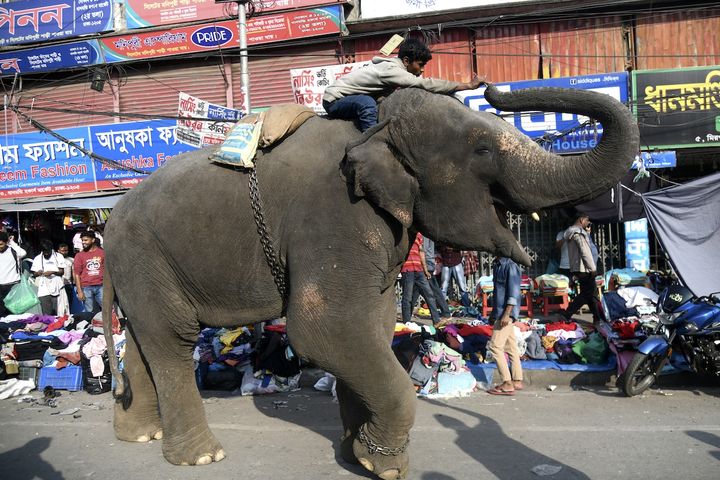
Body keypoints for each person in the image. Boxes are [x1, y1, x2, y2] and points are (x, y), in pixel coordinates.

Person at [322, 37, 483, 132]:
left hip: (351, 97)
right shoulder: (392, 70)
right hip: (335, 100)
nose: (421, 70)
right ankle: (370, 144)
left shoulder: (393, 70)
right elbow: (424, 84)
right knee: (367, 104)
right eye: (420, 65)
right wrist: (466, 85)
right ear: (406, 61)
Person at [487, 256, 524, 395]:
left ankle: (507, 383)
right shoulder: (497, 265)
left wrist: (507, 314)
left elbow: (513, 293)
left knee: (495, 346)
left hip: (506, 314)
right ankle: (517, 379)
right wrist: (493, 314)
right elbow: (498, 294)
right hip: (500, 312)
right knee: (511, 346)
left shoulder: (510, 266)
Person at [561, 214, 602, 323]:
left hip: (578, 267)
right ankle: (567, 313)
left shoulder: (573, 233)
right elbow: (585, 252)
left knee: (591, 293)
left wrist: (587, 233)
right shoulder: (578, 234)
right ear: (581, 219)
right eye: (587, 220)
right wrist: (592, 268)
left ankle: (597, 317)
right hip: (584, 268)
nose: (588, 223)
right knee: (586, 293)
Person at [401, 233, 441, 326]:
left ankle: (436, 321)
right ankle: (406, 322)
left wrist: (425, 270)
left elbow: (421, 252)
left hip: (419, 270)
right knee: (408, 298)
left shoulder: (418, 235)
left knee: (429, 294)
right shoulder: (403, 235)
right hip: (407, 269)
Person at [412, 236, 451, 318]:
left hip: (426, 265)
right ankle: (445, 312)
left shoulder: (424, 235)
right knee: (417, 290)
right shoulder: (427, 234)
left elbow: (423, 250)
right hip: (427, 265)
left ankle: (445, 313)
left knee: (432, 290)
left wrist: (424, 267)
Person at [30, 239, 67, 316]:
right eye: (44, 252)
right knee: (46, 312)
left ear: (51, 249)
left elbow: (61, 272)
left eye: (48, 251)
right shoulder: (37, 258)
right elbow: (34, 274)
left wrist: (52, 272)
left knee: (59, 311)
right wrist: (38, 273)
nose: (46, 253)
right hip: (43, 287)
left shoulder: (58, 256)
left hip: (57, 285)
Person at [73, 230, 105, 313]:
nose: (83, 242)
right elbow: (77, 274)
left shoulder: (102, 253)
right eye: (82, 240)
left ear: (93, 240)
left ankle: (110, 325)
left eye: (86, 240)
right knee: (89, 311)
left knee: (107, 309)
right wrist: (79, 291)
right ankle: (91, 326)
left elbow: (107, 270)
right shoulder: (79, 255)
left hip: (101, 286)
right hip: (86, 287)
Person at [0, 231, 26, 318]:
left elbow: (23, 253)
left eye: (1, 244)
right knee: (2, 312)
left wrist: (12, 242)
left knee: (14, 312)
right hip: (0, 286)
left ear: (6, 242)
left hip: (13, 286)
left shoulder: (12, 250)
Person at [57, 243, 74, 308]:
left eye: (66, 250)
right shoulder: (55, 259)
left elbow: (73, 272)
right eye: (62, 251)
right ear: (58, 251)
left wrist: (74, 283)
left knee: (69, 302)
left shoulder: (71, 260)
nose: (64, 252)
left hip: (68, 284)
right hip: (59, 284)